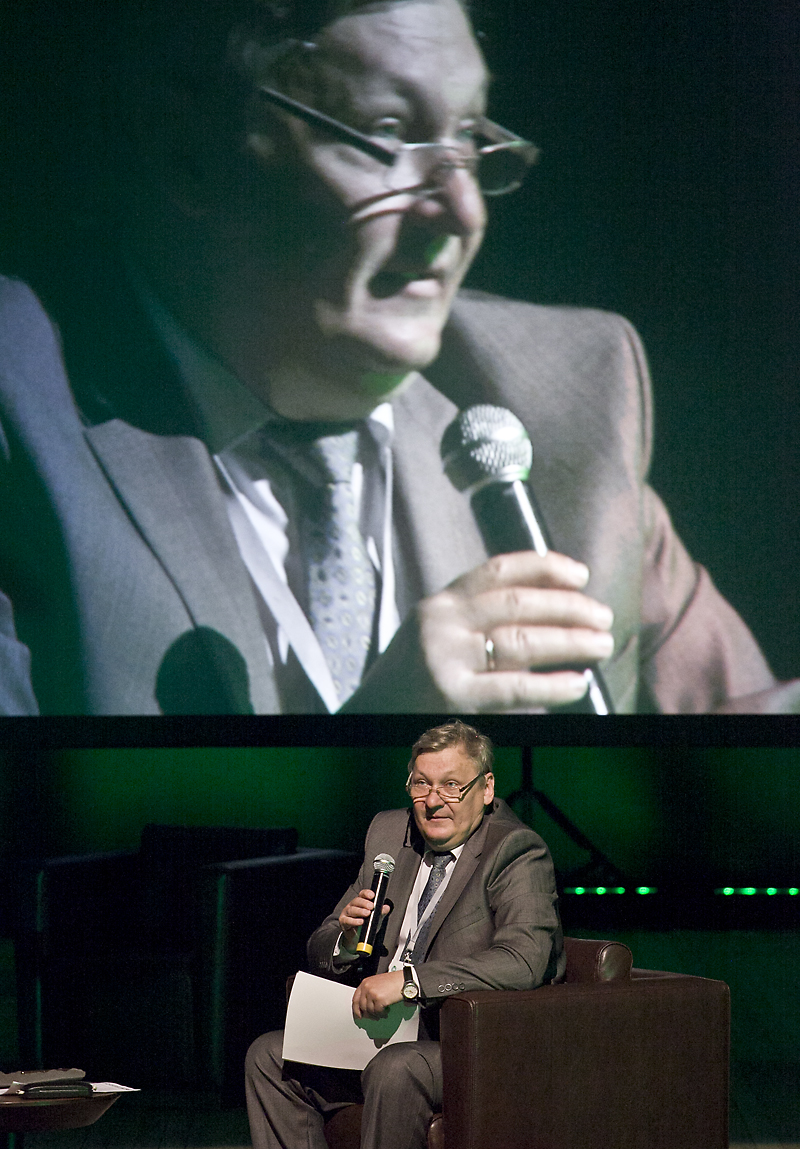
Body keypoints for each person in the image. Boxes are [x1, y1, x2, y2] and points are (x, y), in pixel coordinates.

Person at [0, 0, 797, 713]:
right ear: (191, 151)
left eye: (468, 140)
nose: (462, 209)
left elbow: (746, 761)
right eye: (387, 134)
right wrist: (372, 763)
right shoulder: (20, 414)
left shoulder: (568, 399)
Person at [245, 719, 564, 1149]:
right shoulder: (390, 833)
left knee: (397, 1069)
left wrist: (411, 981)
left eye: (452, 785)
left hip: (462, 1043)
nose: (434, 802)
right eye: (422, 784)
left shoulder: (515, 850)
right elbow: (321, 942)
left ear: (486, 789)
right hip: (384, 1031)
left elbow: (523, 961)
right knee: (268, 1057)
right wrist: (347, 941)